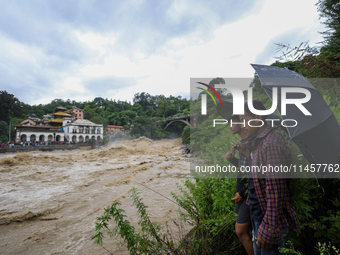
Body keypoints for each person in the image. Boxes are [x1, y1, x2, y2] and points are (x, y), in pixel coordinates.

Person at [234, 100, 300, 255]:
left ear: (257, 116)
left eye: (244, 120)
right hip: (259, 216)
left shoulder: (269, 145)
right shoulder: (258, 143)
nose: (242, 125)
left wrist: (269, 227)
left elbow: (276, 191)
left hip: (268, 221)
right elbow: (257, 179)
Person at [224, 115, 254, 255]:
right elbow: (243, 168)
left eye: (232, 123)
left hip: (248, 191)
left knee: (241, 230)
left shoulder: (251, 142)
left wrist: (242, 192)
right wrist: (233, 159)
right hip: (242, 189)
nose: (230, 126)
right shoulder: (243, 141)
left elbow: (255, 169)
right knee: (247, 230)